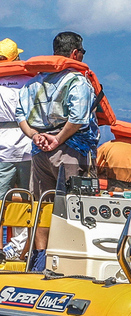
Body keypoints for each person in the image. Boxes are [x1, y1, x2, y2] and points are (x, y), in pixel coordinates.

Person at [15, 32, 99, 263]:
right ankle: (73, 258)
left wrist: (36, 136)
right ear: (75, 53)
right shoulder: (77, 81)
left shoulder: (34, 82)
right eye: (82, 52)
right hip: (71, 151)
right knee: (77, 203)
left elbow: (21, 116)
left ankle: (40, 259)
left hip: (39, 153)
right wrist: (58, 139)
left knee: (43, 204)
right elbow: (79, 118)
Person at [0, 39, 32, 260]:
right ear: (16, 58)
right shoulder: (30, 81)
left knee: (1, 199)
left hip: (1, 146)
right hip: (28, 143)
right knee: (25, 196)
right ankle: (20, 246)